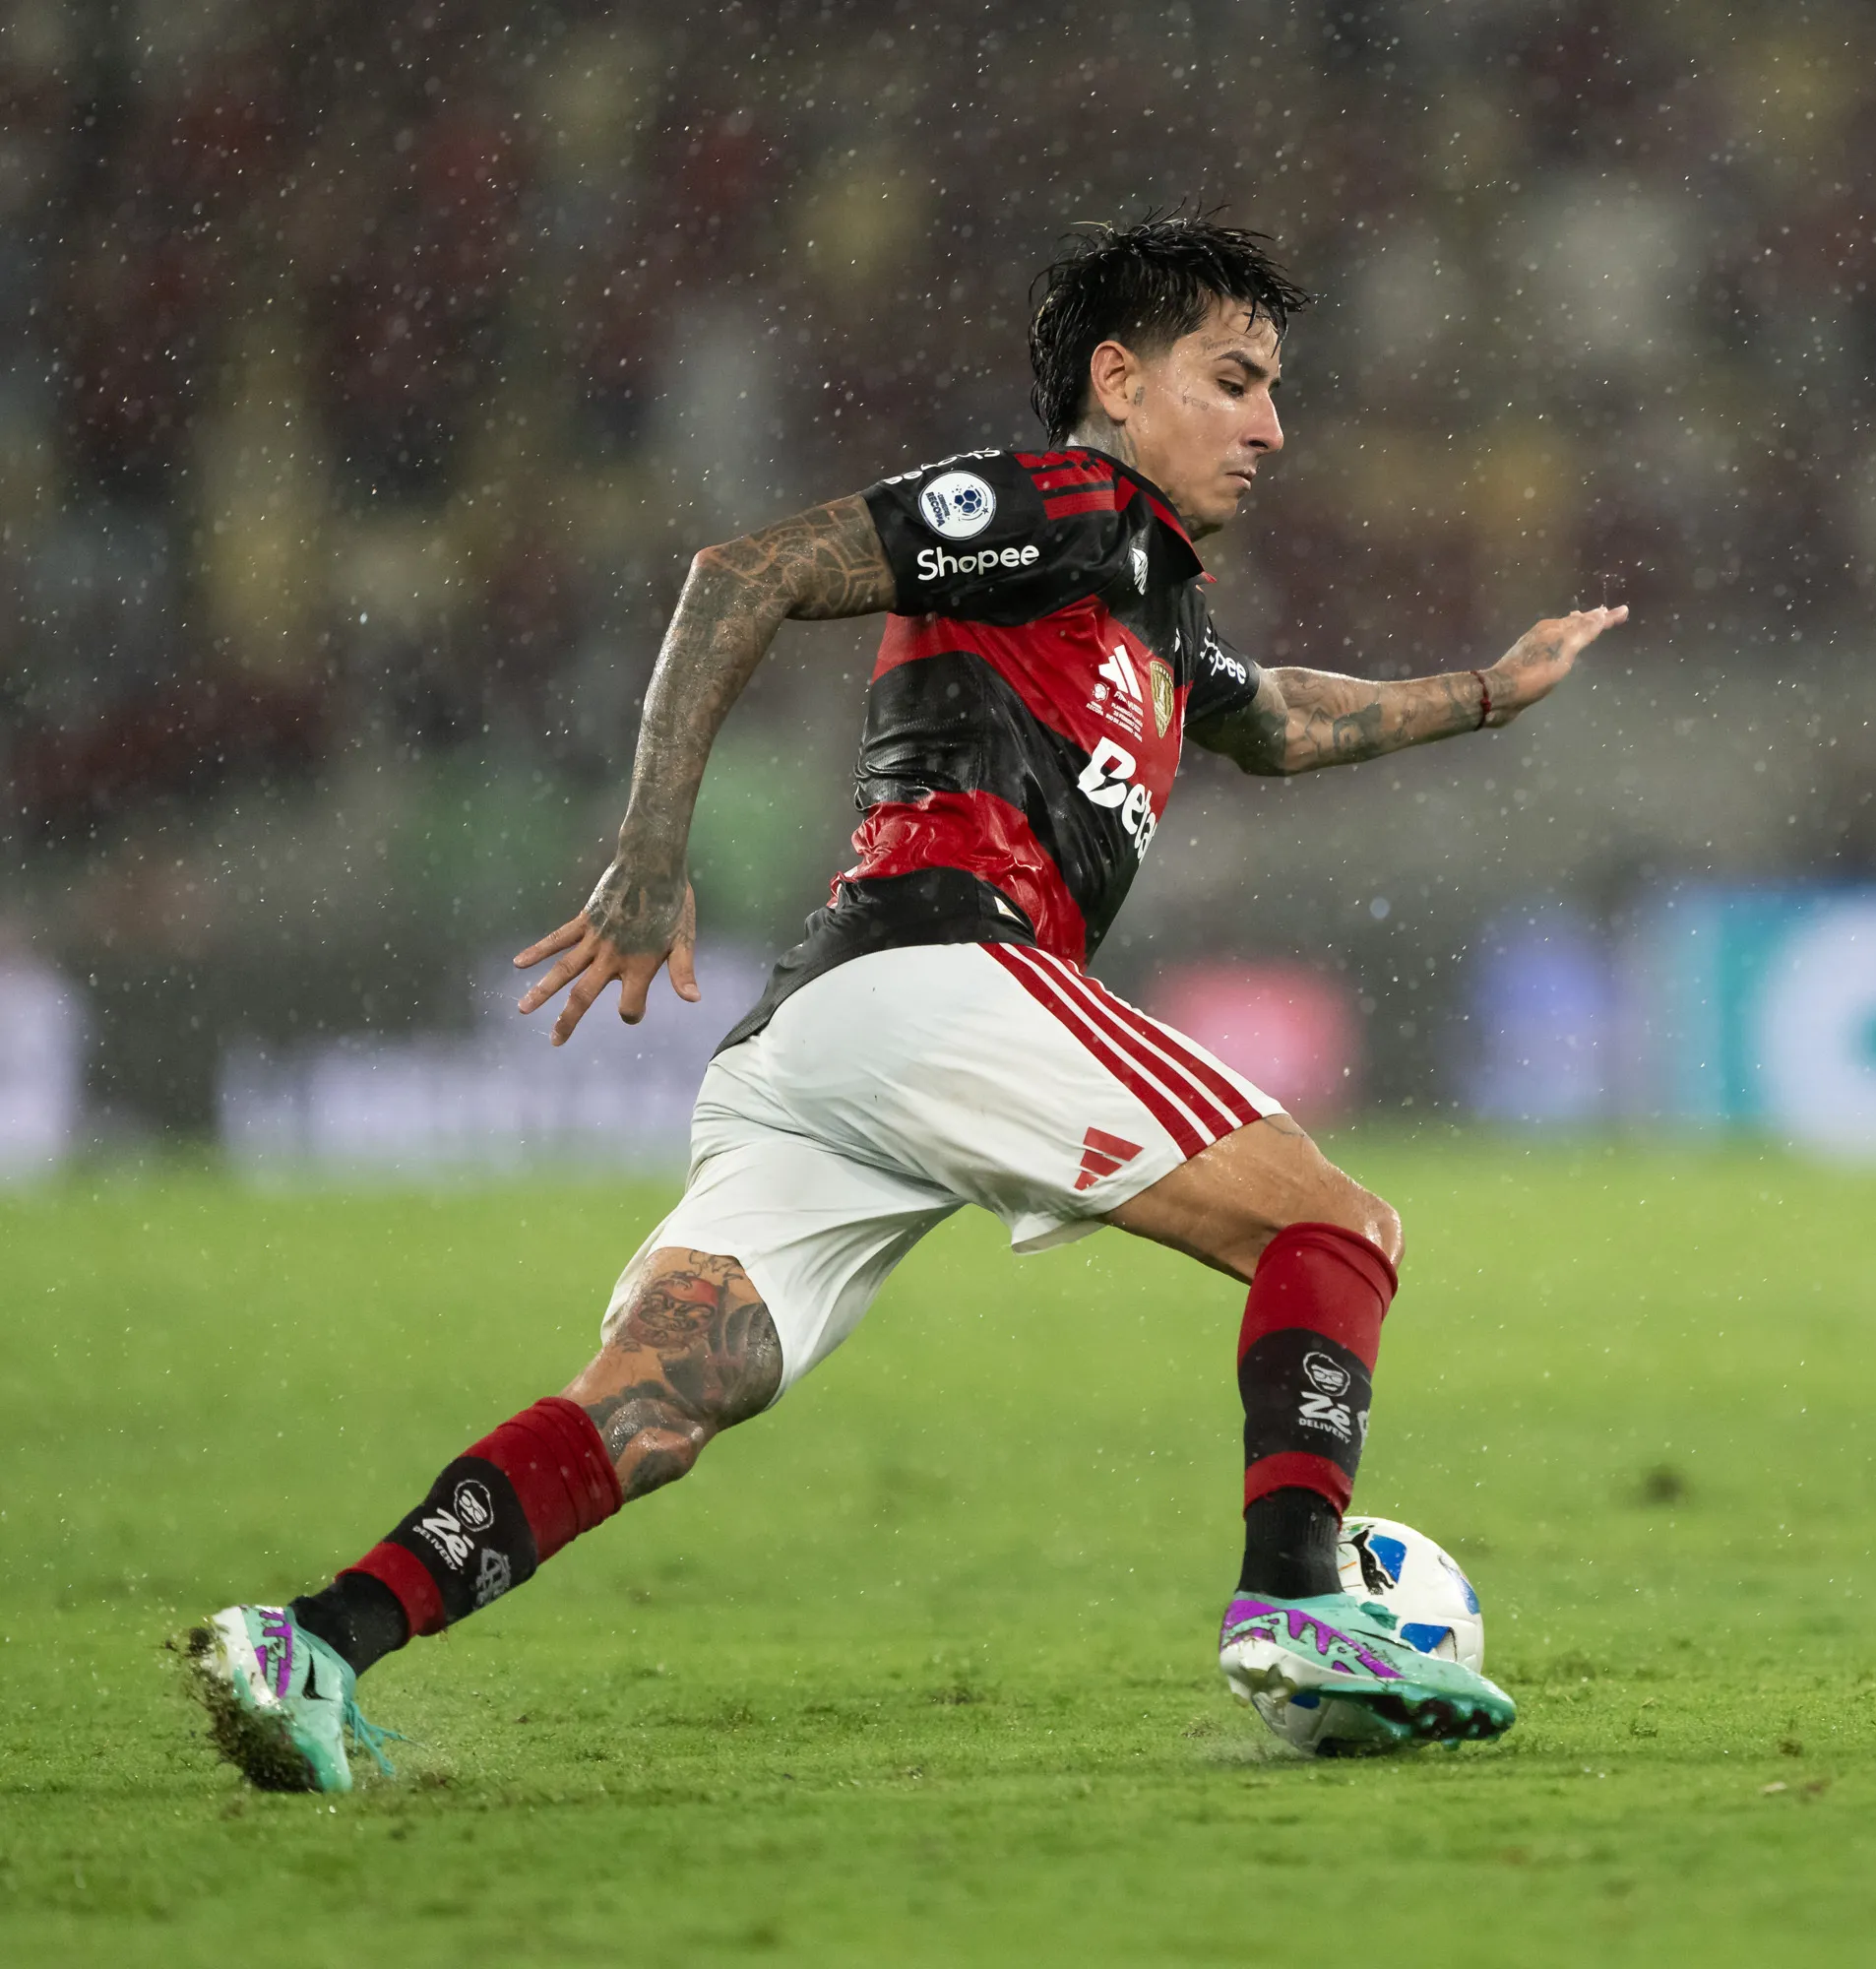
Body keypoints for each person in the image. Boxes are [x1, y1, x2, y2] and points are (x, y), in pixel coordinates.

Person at [188, 215, 1625, 1789]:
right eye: (1236, 379)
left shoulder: (1154, 600)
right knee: (1337, 1230)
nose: (1273, 424)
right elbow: (746, 572)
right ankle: (1295, 1601)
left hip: (823, 1040)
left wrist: (1491, 691)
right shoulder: (1066, 503)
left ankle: (315, 1636)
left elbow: (1274, 720)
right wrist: (650, 858)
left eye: (1277, 388)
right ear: (1120, 381)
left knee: (664, 1398)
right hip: (945, 969)